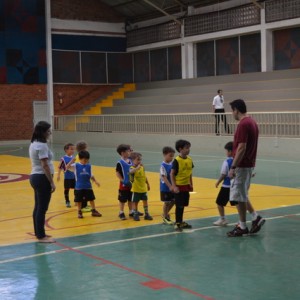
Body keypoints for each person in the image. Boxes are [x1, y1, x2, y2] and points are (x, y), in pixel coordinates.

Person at [227, 99, 265, 237]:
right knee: (242, 195)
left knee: (239, 197)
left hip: (242, 165)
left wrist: (233, 167)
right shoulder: (252, 122)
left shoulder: (243, 124)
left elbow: (241, 147)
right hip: (248, 164)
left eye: (232, 110)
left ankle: (242, 226)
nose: (232, 113)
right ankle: (255, 218)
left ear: (236, 109)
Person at [29, 121, 56, 243]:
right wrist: (51, 182)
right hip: (42, 178)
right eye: (48, 131)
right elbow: (45, 165)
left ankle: (39, 232)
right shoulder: (42, 146)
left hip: (35, 177)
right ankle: (41, 236)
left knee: (38, 207)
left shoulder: (34, 143)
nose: (50, 133)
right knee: (42, 208)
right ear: (43, 132)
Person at [171, 140, 194, 232]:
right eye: (186, 148)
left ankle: (181, 221)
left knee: (183, 205)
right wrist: (174, 186)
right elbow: (172, 174)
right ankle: (177, 223)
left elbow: (190, 173)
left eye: (189, 148)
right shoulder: (177, 160)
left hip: (186, 186)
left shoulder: (189, 159)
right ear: (180, 149)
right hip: (179, 186)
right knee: (179, 205)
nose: (188, 150)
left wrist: (191, 183)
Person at [213, 141, 237, 226]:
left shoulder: (227, 162)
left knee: (219, 203)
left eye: (226, 151)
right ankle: (242, 219)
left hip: (226, 186)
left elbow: (223, 174)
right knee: (237, 203)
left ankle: (222, 219)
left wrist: (218, 182)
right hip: (236, 186)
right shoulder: (238, 161)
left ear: (230, 151)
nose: (226, 152)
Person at [74, 150, 102, 219]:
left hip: (88, 186)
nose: (86, 161)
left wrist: (95, 181)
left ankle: (94, 210)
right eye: (84, 159)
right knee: (79, 200)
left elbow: (91, 175)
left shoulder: (89, 166)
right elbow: (66, 168)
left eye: (87, 159)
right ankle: (79, 212)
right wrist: (72, 161)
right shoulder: (76, 165)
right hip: (79, 187)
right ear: (80, 158)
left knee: (91, 199)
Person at [129, 152, 153, 221]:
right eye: (138, 160)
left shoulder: (142, 167)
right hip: (136, 189)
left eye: (140, 160)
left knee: (145, 201)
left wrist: (147, 184)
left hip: (143, 189)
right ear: (133, 160)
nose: (140, 161)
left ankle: (146, 214)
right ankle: (135, 214)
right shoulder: (132, 168)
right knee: (135, 202)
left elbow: (144, 176)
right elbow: (131, 172)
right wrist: (137, 168)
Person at [115, 144, 134, 220]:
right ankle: (121, 212)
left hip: (132, 184)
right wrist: (123, 181)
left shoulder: (131, 160)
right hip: (124, 184)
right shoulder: (120, 162)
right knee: (122, 199)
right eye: (128, 151)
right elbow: (117, 173)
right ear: (122, 153)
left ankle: (131, 211)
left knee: (131, 198)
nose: (129, 152)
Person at [160, 146, 176, 225]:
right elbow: (164, 177)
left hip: (172, 187)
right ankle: (165, 217)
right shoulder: (163, 165)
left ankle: (165, 214)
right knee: (166, 203)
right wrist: (170, 186)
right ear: (164, 154)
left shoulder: (172, 164)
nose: (172, 158)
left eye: (173, 156)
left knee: (173, 201)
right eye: (170, 156)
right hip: (165, 188)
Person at [57, 143, 75, 208]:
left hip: (74, 177)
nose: (73, 150)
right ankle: (67, 201)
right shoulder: (63, 159)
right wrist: (58, 175)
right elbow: (60, 167)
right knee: (67, 189)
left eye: (73, 149)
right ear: (66, 150)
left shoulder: (74, 157)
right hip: (67, 177)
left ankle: (76, 200)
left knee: (76, 188)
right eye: (71, 149)